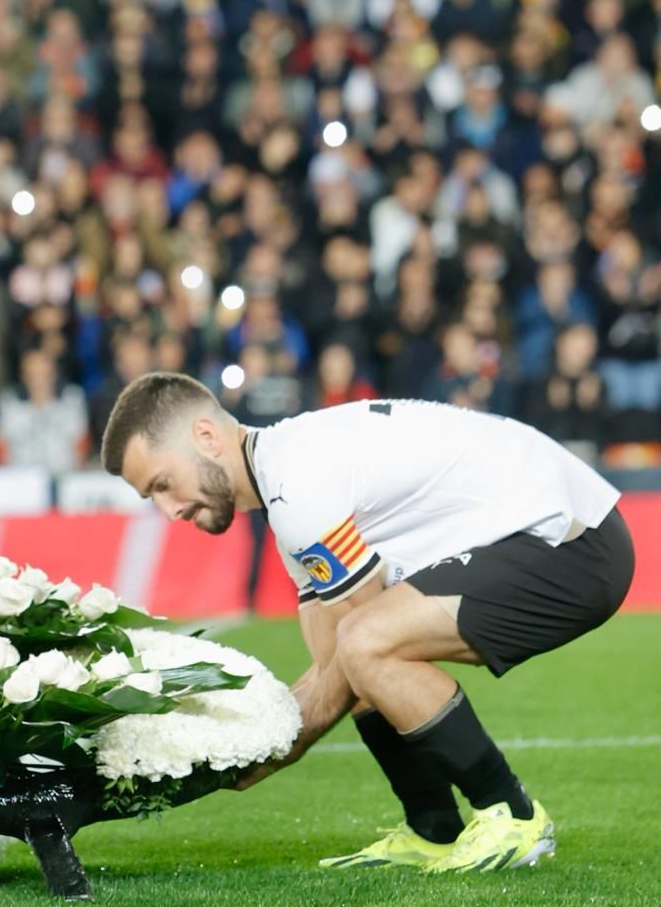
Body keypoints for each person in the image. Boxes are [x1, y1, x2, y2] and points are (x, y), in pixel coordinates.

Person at [102, 374, 634, 873]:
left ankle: (513, 816)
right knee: (354, 649)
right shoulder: (284, 488)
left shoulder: (296, 484)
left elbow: (352, 651)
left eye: (164, 483)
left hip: (572, 540)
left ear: (205, 435)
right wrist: (252, 738)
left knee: (365, 642)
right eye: (153, 497)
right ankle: (434, 827)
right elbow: (330, 665)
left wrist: (259, 747)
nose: (168, 510)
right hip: (549, 532)